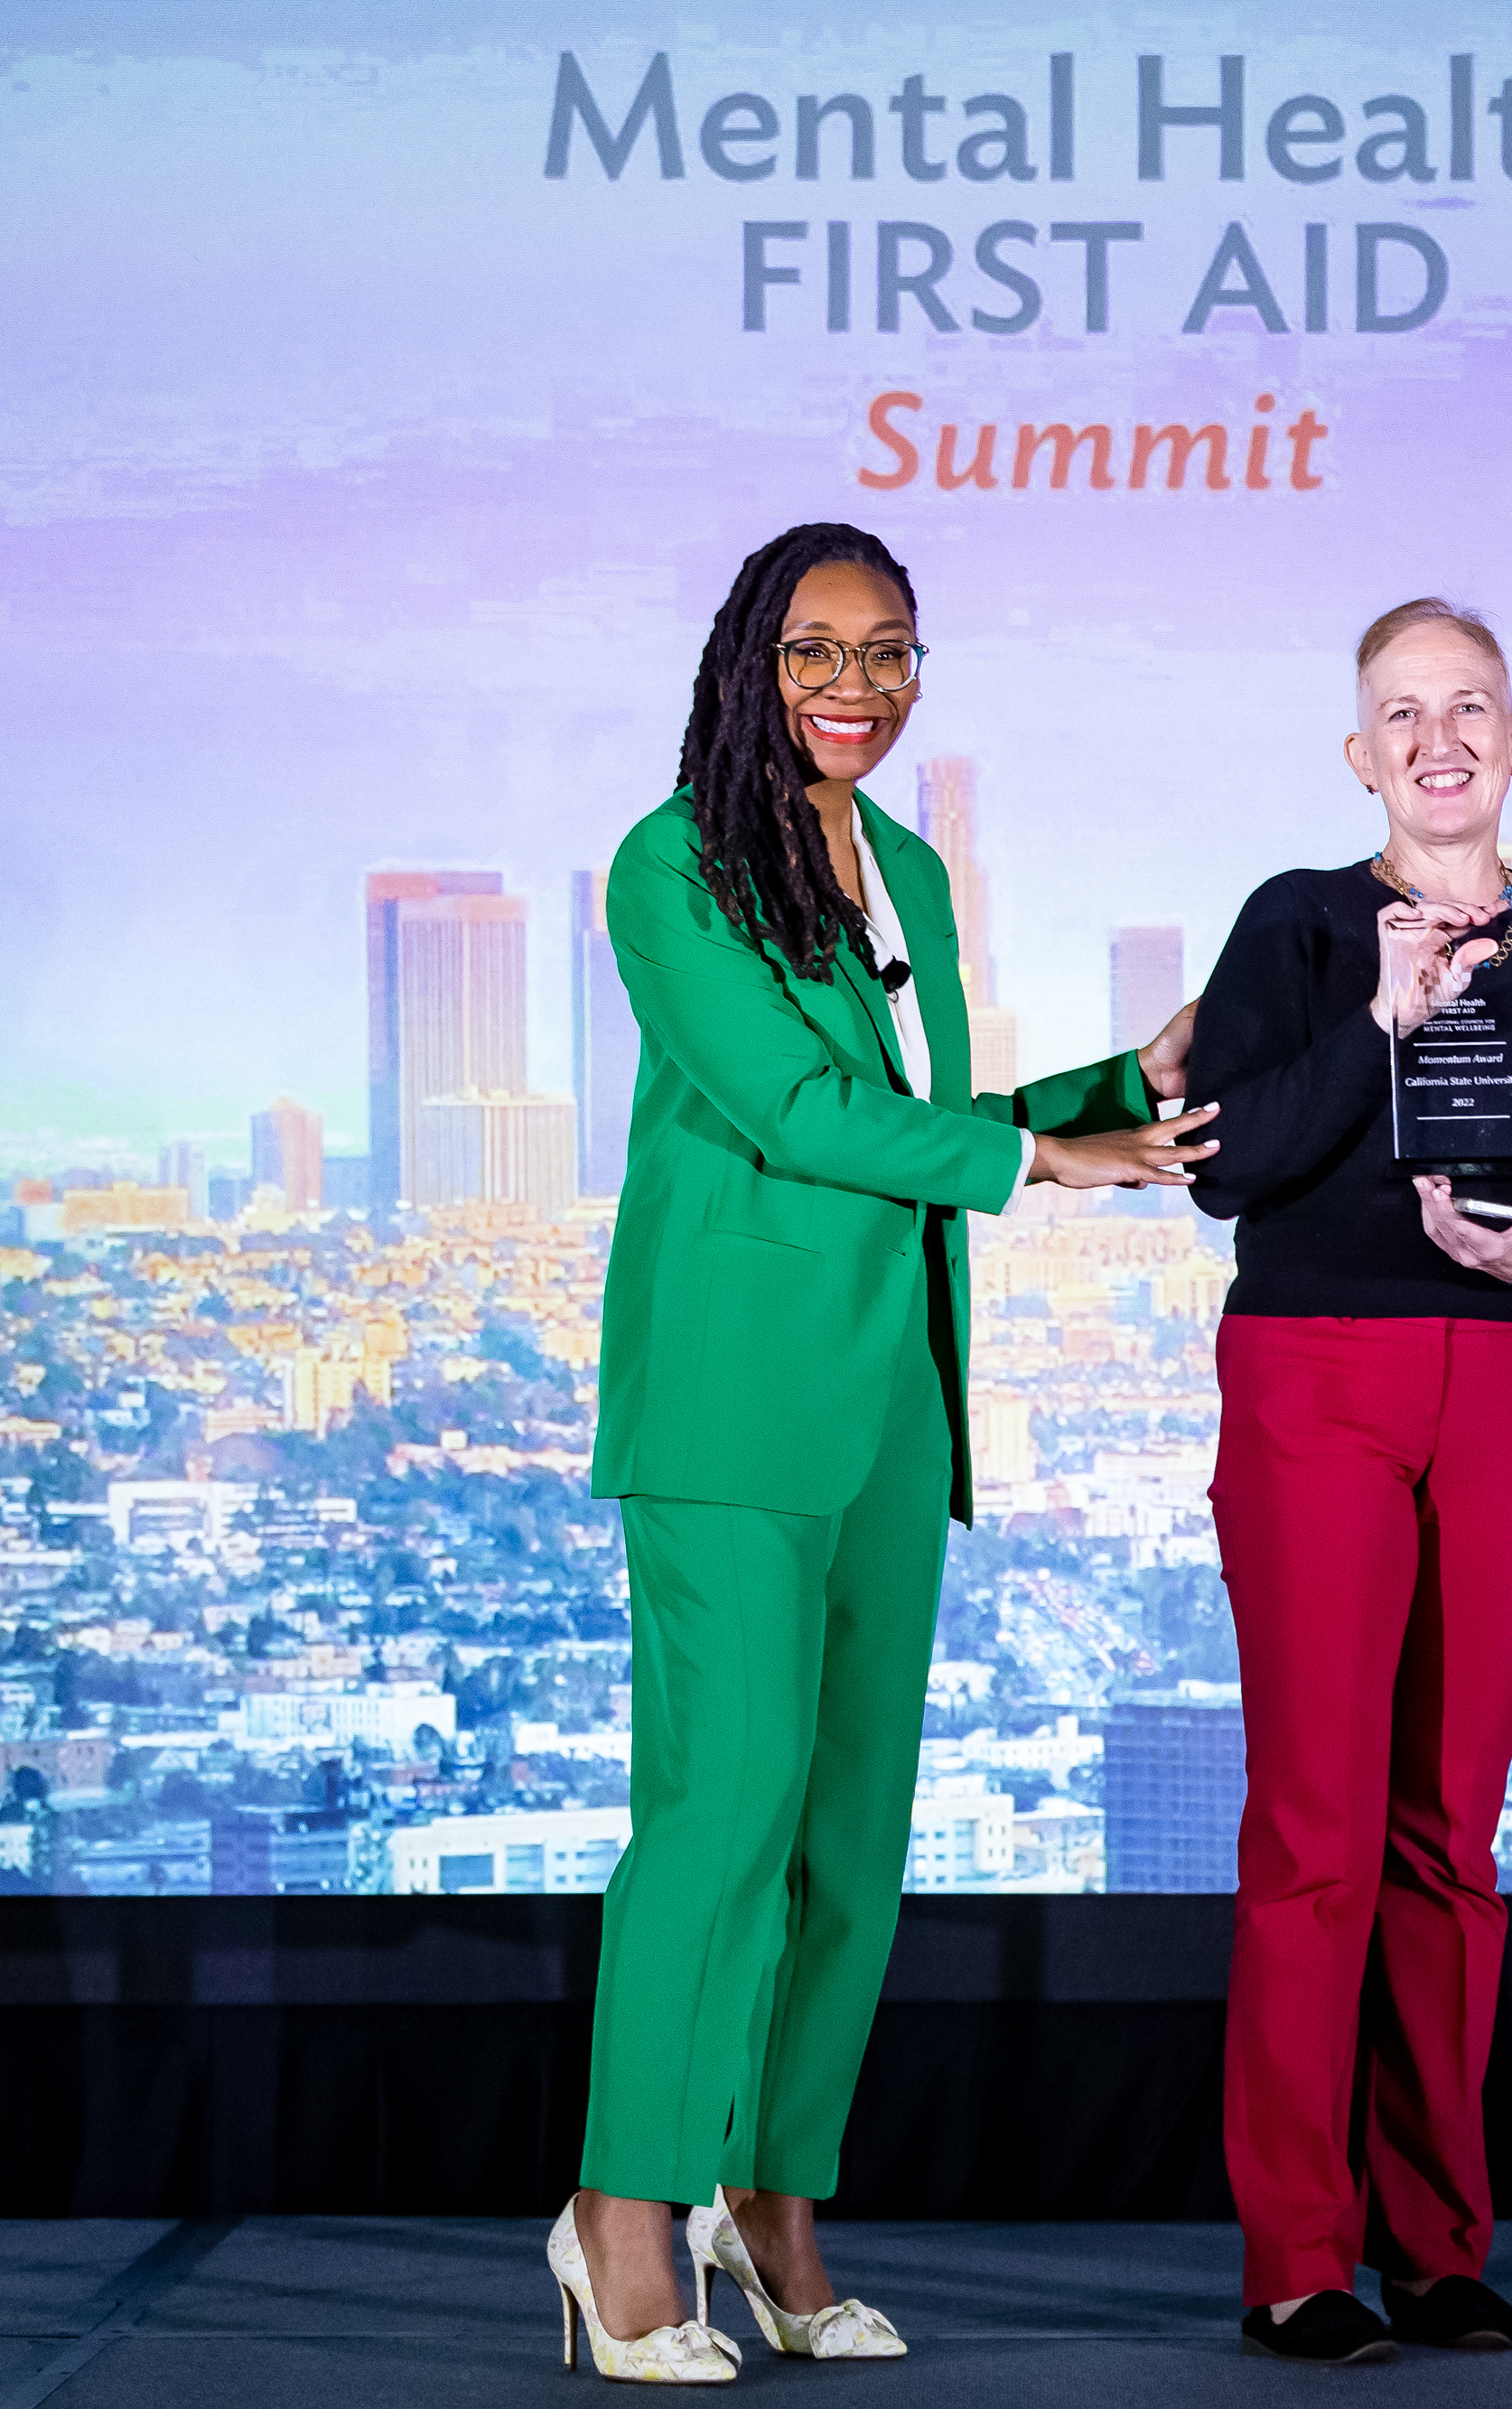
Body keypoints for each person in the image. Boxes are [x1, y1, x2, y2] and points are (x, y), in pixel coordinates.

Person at [546, 522, 1220, 2381]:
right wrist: (1035, 1165)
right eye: (814, 649)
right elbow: (781, 1103)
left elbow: (911, 1116)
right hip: (726, 1400)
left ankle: (770, 2197)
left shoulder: (906, 865)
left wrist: (1119, 1090)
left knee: (845, 1841)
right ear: (743, 661)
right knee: (724, 1808)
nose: (855, 684)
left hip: (889, 1399)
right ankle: (621, 2207)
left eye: (890, 650)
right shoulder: (669, 862)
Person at [1186, 599, 1512, 2365]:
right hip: (1318, 1366)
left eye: (1466, 702)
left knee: (1445, 1831)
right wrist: (1382, 1014)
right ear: (1357, 751)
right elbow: (1222, 1162)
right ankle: (1297, 2255)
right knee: (1315, 1822)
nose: (1436, 734)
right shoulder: (1298, 925)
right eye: (1400, 710)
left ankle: (1436, 2238)